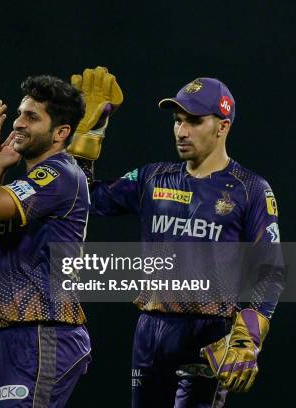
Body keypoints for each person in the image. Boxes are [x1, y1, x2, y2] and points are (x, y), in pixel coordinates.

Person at [79, 74, 283, 407]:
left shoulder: (251, 189)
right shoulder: (152, 178)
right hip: (150, 331)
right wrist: (87, 140)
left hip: (209, 335)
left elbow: (270, 269)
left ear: (222, 126)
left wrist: (247, 339)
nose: (181, 130)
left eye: (194, 121)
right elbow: (84, 200)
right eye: (177, 120)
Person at [0, 75, 92, 407]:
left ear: (61, 133)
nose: (18, 123)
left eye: (32, 116)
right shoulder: (25, 186)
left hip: (42, 332)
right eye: (20, 113)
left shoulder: (59, 174)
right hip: (8, 335)